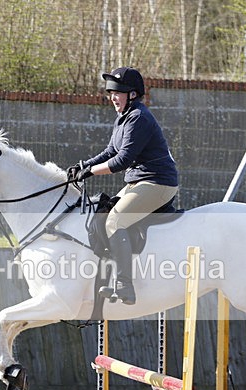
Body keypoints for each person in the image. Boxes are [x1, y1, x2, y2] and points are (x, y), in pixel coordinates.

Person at [68, 66, 179, 305]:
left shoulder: (139, 117)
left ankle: (125, 285)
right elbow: (110, 151)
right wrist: (82, 165)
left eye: (117, 92)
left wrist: (90, 172)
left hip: (158, 182)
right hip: (139, 181)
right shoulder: (124, 117)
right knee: (102, 215)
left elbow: (122, 160)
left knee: (115, 220)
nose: (112, 97)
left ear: (132, 94)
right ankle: (109, 277)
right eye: (110, 93)